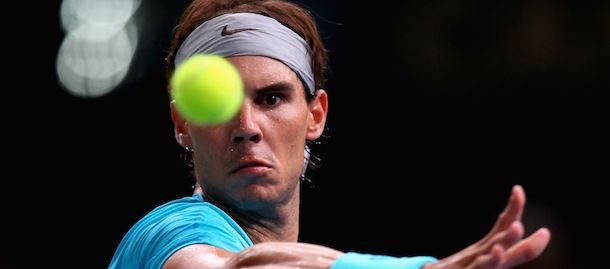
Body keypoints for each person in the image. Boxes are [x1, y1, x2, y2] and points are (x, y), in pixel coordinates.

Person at [108, 0, 551, 268]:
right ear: (182, 124)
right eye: (218, 107)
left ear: (316, 115)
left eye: (272, 99)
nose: (246, 128)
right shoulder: (169, 232)